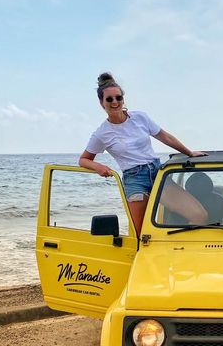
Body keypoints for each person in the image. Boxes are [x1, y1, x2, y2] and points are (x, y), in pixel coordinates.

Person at [79, 72, 207, 236]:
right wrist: (98, 166)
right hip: (134, 180)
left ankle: (182, 254)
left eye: (118, 97)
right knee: (142, 235)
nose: (115, 102)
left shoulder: (140, 117)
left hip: (157, 174)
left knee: (199, 215)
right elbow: (83, 160)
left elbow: (164, 136)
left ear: (123, 99)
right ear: (101, 103)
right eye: (109, 99)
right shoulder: (101, 133)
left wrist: (189, 152)